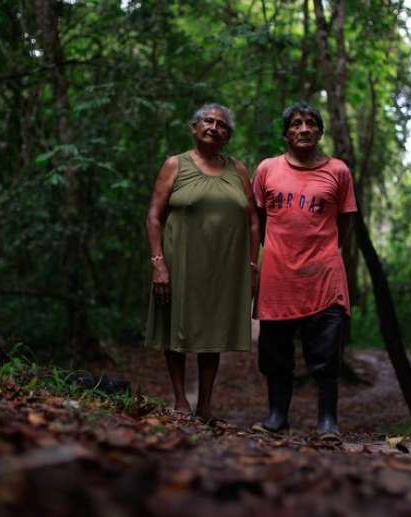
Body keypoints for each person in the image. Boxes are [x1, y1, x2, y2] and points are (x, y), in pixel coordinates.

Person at [144, 103, 259, 420]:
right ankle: (180, 400)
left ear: (228, 135)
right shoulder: (174, 165)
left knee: (214, 332)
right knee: (173, 329)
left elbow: (253, 221)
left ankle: (206, 405)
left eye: (221, 124)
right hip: (178, 262)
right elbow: (154, 217)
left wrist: (252, 267)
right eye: (207, 121)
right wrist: (158, 264)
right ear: (194, 128)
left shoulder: (238, 170)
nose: (214, 127)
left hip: (223, 268)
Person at [252, 102, 357, 439]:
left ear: (320, 132)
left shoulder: (338, 171)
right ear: (286, 134)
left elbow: (346, 221)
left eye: (311, 123)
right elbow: (257, 218)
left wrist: (322, 251)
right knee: (275, 353)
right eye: (296, 123)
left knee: (326, 353)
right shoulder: (267, 169)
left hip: (323, 276)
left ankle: (327, 422)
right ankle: (276, 417)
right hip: (277, 276)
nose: (304, 128)